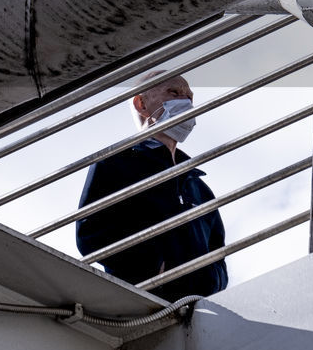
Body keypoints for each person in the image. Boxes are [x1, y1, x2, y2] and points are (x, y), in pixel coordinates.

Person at [76, 71, 227, 300]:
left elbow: (219, 255)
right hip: (142, 302)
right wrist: (155, 270)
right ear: (141, 103)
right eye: (174, 93)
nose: (186, 103)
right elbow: (91, 234)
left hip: (199, 310)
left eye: (190, 97)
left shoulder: (199, 186)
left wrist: (207, 283)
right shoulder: (115, 163)